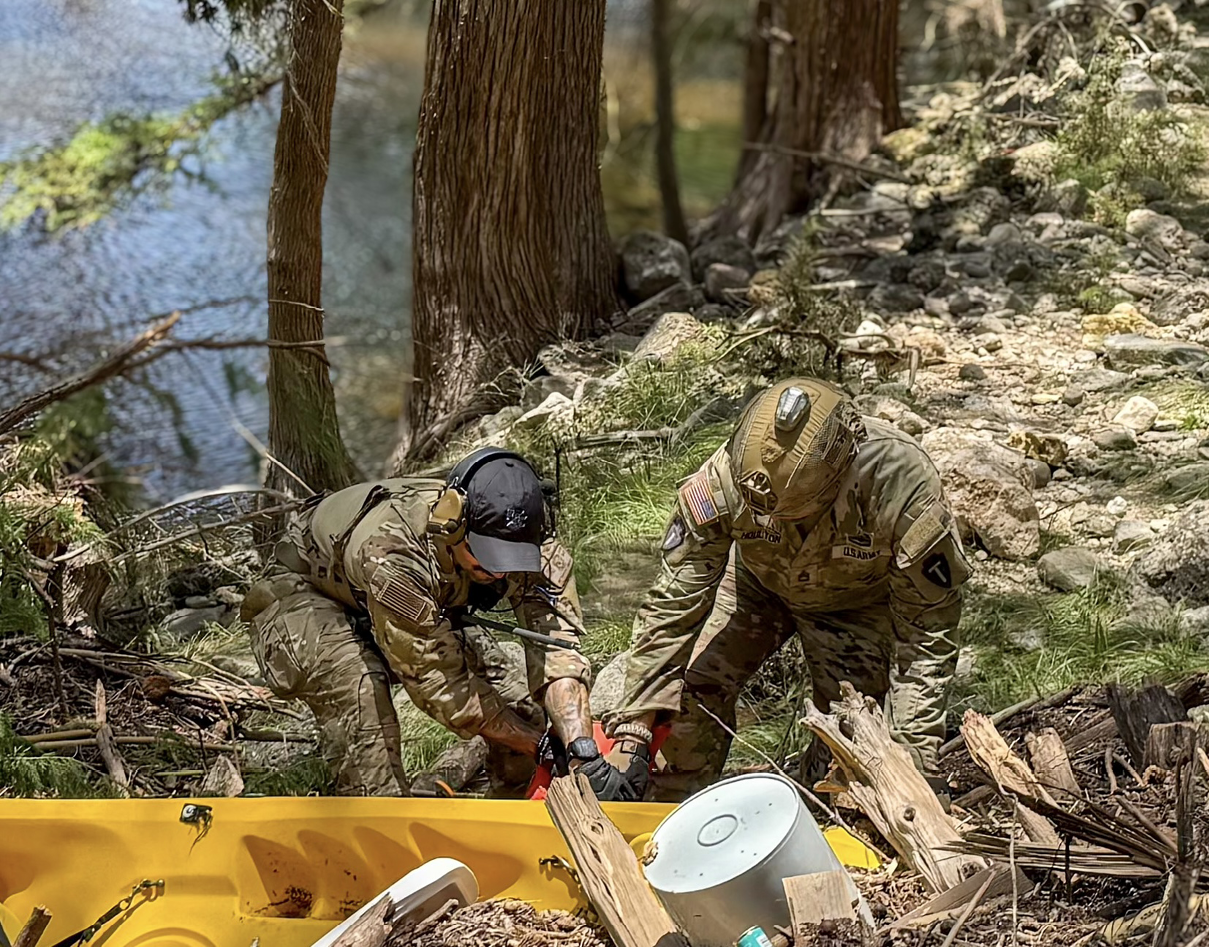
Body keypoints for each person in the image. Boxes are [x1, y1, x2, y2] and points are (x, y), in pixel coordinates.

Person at [602, 378, 972, 801]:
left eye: (791, 511)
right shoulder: (726, 476)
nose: (773, 520)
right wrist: (635, 727)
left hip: (854, 607)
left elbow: (927, 635)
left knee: (850, 740)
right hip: (754, 585)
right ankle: (671, 805)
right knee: (687, 690)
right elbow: (674, 604)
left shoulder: (899, 484)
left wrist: (914, 757)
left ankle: (813, 804)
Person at [242, 448, 634, 799]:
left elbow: (557, 648)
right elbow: (438, 683)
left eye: (510, 561)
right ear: (453, 524)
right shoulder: (392, 554)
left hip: (406, 605)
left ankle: (517, 813)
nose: (498, 575)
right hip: (305, 596)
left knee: (519, 707)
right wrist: (538, 744)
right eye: (487, 558)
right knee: (361, 697)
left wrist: (581, 749)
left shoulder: (535, 544)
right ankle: (379, 825)